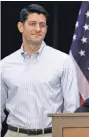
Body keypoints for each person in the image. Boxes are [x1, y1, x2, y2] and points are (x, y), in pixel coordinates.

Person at [0, 4, 80, 137]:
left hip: (51, 134)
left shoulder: (63, 61)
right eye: (32, 24)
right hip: (15, 134)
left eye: (42, 25)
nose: (38, 29)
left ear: (46, 29)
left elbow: (71, 109)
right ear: (21, 27)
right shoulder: (4, 65)